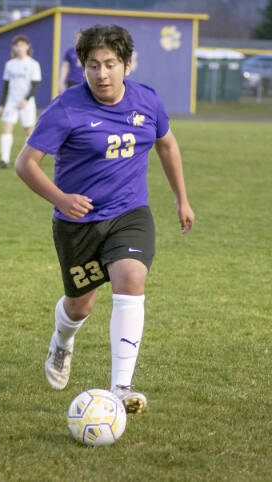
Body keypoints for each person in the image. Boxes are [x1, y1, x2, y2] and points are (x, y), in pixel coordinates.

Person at [15, 24, 194, 413]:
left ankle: (121, 388)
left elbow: (167, 145)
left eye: (110, 64)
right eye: (93, 65)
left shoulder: (147, 101)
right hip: (77, 224)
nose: (102, 74)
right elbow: (25, 164)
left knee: (130, 278)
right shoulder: (66, 108)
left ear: (126, 65)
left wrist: (182, 199)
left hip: (130, 213)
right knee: (80, 305)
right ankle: (62, 343)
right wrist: (60, 198)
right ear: (83, 68)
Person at [0, 35, 41, 169]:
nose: (19, 47)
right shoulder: (10, 64)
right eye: (17, 45)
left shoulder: (33, 64)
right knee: (7, 128)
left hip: (26, 103)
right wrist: (2, 104)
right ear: (14, 48)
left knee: (29, 131)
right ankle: (4, 160)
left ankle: (31, 160)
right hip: (11, 102)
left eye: (22, 45)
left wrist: (26, 100)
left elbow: (35, 85)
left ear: (28, 46)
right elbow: (5, 86)